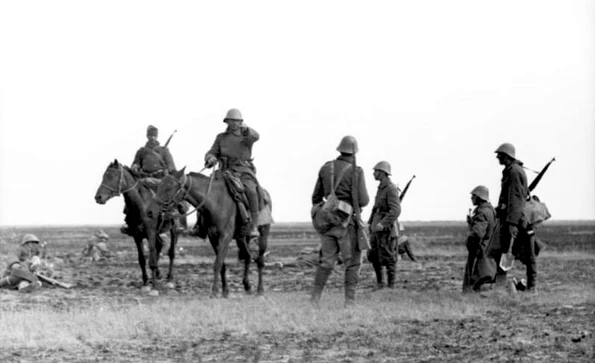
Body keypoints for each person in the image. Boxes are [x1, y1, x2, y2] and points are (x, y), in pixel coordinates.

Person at [310, 135, 369, 306]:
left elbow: (315, 197)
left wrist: (330, 208)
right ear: (354, 152)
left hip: (327, 223)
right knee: (353, 262)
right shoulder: (356, 171)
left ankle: (314, 299)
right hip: (347, 224)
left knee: (326, 261)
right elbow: (364, 200)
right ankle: (349, 303)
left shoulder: (326, 168)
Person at [203, 108, 261, 237]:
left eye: (237, 121)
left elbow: (256, 136)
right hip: (224, 171)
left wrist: (248, 130)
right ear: (227, 122)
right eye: (231, 121)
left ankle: (254, 226)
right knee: (206, 190)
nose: (234, 123)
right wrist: (210, 157)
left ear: (241, 122)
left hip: (243, 171)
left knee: (251, 190)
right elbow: (212, 151)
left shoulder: (246, 137)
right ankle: (200, 225)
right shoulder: (221, 138)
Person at [122, 125, 185, 234]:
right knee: (132, 194)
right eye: (150, 135)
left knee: (170, 198)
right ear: (147, 136)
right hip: (144, 179)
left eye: (154, 135)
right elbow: (135, 163)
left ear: (157, 136)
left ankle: (176, 222)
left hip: (160, 180)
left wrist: (173, 176)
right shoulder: (141, 151)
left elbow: (171, 167)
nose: (152, 138)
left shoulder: (164, 151)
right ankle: (129, 220)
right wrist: (135, 166)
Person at [492, 143, 538, 293]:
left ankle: (531, 288)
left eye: (500, 154)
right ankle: (501, 287)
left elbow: (516, 199)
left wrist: (512, 223)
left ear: (507, 156)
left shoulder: (514, 172)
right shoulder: (511, 171)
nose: (497, 157)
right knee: (505, 252)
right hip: (514, 218)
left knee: (526, 255)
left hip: (518, 221)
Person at [367, 161, 401, 289]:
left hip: (385, 229)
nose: (373, 174)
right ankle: (380, 283)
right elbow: (375, 208)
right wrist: (370, 223)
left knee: (388, 256)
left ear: (382, 173)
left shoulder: (390, 189)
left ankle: (391, 287)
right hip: (376, 226)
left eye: (375, 171)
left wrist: (383, 223)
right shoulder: (381, 187)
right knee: (373, 255)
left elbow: (396, 210)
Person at [462, 185, 496, 293]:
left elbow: (477, 234)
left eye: (473, 196)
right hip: (488, 249)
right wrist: (472, 222)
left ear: (479, 197)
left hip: (479, 251)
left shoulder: (481, 213)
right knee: (485, 275)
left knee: (475, 279)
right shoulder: (491, 211)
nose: (471, 198)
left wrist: (470, 244)